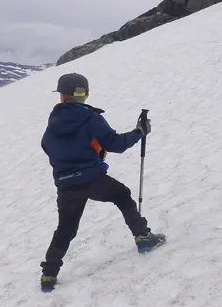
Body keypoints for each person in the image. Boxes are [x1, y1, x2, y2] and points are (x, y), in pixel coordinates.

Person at [39, 72, 165, 292]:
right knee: (122, 195)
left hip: (66, 185)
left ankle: (49, 275)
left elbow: (47, 146)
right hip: (91, 178)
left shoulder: (55, 120)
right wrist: (139, 132)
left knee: (66, 229)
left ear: (62, 96)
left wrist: (77, 158)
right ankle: (143, 237)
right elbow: (116, 143)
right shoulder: (90, 117)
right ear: (84, 94)